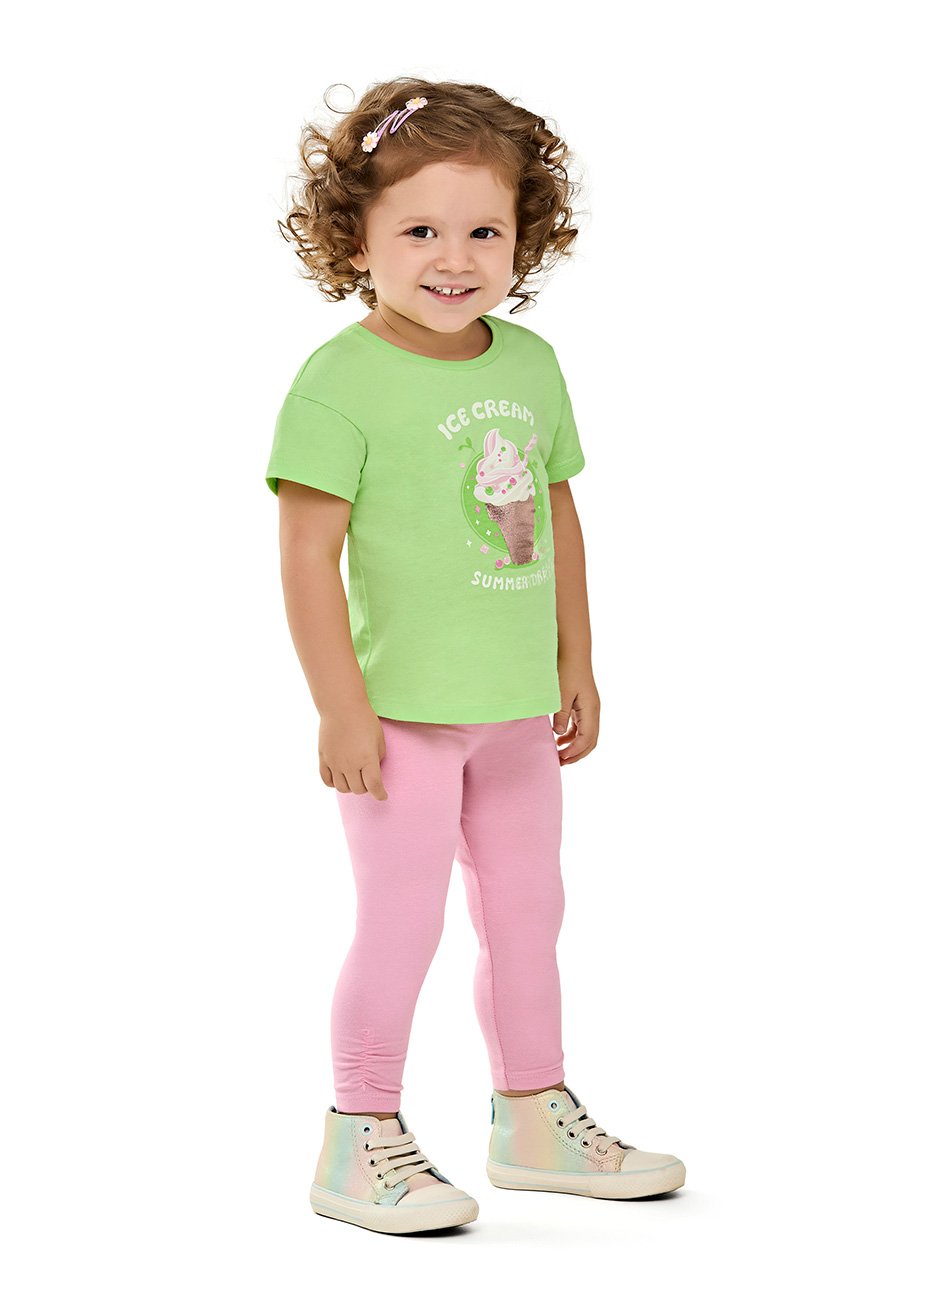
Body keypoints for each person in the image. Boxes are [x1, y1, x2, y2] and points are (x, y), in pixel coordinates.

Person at [265, 76, 686, 1236]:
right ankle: (357, 1137)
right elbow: (306, 554)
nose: (452, 259)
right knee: (401, 922)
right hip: (400, 717)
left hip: (511, 712)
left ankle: (533, 1117)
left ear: (522, 237)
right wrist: (339, 708)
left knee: (528, 912)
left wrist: (575, 658)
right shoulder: (339, 382)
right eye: (418, 231)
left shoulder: (528, 365)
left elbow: (556, 516)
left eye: (483, 232)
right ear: (355, 238)